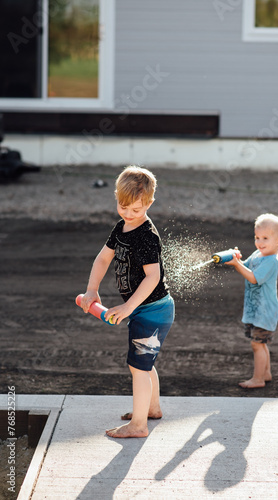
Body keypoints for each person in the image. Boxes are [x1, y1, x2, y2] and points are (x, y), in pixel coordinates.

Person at [80, 165, 174, 438]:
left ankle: (139, 425)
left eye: (136, 209)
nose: (129, 214)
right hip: (144, 311)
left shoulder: (146, 235)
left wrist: (128, 307)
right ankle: (152, 409)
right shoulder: (122, 227)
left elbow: (153, 277)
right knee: (144, 363)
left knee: (137, 366)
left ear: (149, 204)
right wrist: (91, 290)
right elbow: (103, 258)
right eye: (123, 207)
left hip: (152, 311)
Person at [225, 213, 278, 389]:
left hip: (265, 311)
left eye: (265, 238)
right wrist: (237, 260)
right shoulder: (258, 254)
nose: (260, 242)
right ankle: (265, 373)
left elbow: (253, 278)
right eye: (257, 237)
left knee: (257, 344)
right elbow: (246, 265)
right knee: (261, 343)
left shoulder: (272, 261)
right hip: (256, 309)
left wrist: (237, 265)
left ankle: (258, 379)